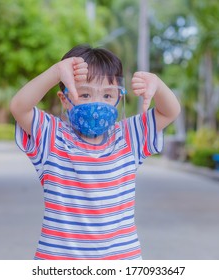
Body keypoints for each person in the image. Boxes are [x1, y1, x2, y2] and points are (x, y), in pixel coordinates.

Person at [10, 44, 181, 260]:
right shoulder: (52, 137)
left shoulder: (129, 137)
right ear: (65, 99)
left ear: (119, 98)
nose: (97, 104)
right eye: (85, 94)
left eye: (108, 96)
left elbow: (170, 111)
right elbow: (18, 107)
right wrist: (56, 72)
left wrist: (158, 84)